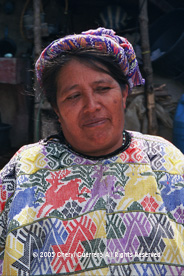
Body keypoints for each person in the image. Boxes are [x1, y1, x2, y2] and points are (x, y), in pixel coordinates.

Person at [0, 27, 184, 276]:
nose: (91, 106)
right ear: (56, 109)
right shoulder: (24, 169)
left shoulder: (166, 161)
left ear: (124, 93)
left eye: (103, 89)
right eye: (74, 96)